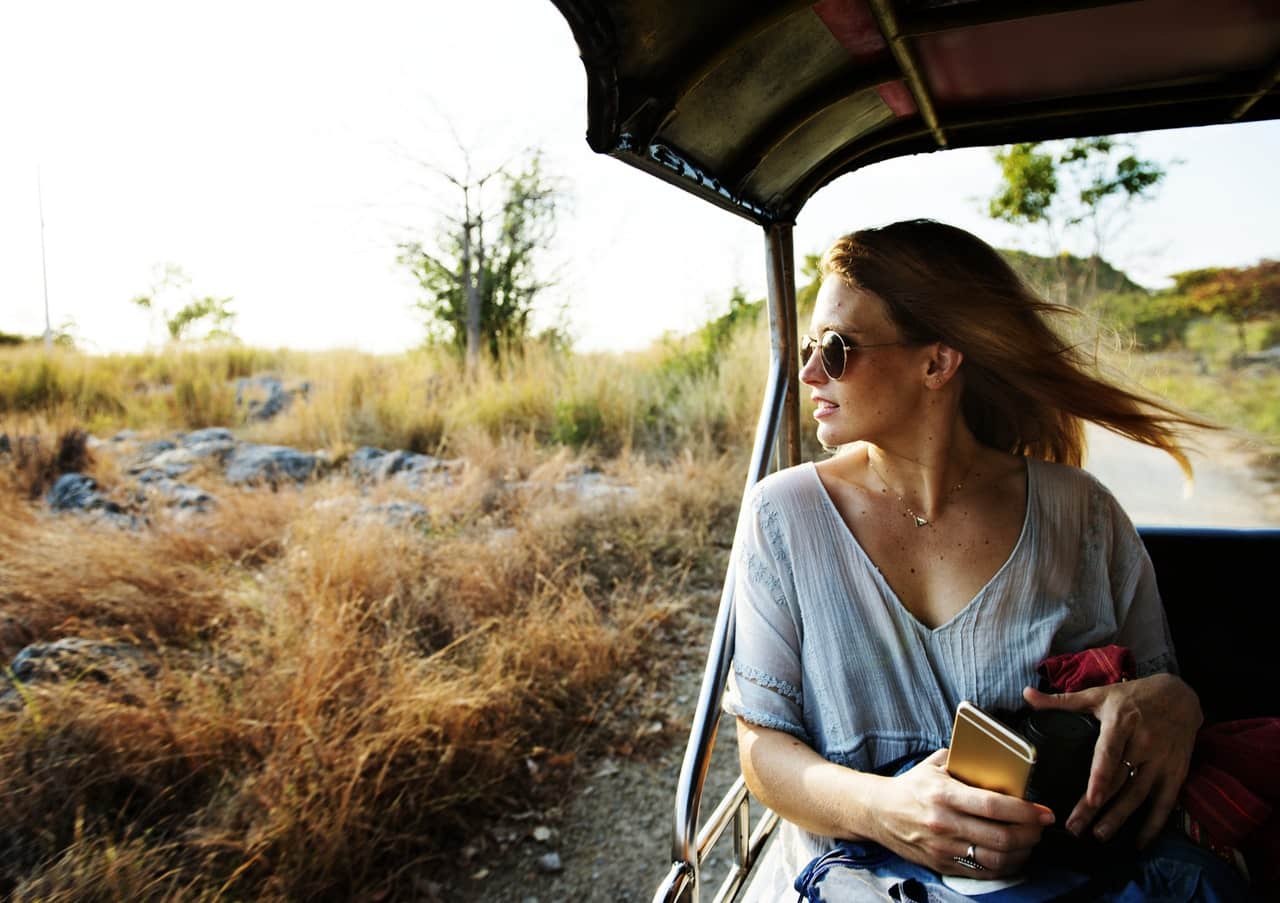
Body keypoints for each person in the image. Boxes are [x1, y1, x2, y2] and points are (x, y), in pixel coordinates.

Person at [724, 220, 1246, 900]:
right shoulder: (780, 516)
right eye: (809, 346)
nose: (810, 372)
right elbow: (762, 747)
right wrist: (885, 810)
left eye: (838, 348)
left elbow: (1156, 694)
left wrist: (1177, 701)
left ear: (937, 364)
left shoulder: (1082, 513)